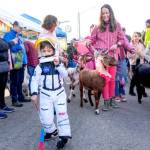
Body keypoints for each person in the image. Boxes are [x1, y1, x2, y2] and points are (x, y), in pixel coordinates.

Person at [31, 39, 71, 149]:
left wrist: (58, 66)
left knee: (62, 115)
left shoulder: (58, 63)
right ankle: (52, 131)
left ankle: (64, 137)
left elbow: (65, 75)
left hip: (59, 94)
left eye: (49, 50)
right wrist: (34, 93)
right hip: (45, 95)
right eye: (44, 51)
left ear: (53, 50)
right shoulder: (39, 66)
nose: (46, 52)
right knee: (45, 117)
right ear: (41, 52)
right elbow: (34, 79)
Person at [87, 4, 128, 110]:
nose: (105, 15)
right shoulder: (97, 27)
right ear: (101, 15)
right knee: (104, 80)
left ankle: (112, 100)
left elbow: (122, 39)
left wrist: (117, 44)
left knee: (113, 79)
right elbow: (92, 39)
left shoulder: (117, 25)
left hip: (113, 57)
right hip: (101, 58)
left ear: (110, 13)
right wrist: (89, 42)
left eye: (107, 12)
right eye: (103, 13)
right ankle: (105, 101)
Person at [3, 21, 30, 107]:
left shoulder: (19, 36)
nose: (21, 29)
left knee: (20, 80)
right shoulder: (9, 35)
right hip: (15, 62)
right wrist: (19, 47)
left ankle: (20, 96)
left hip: (20, 61)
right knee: (14, 81)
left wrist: (25, 61)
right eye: (20, 27)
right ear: (14, 26)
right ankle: (15, 99)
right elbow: (9, 47)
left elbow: (23, 50)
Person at [128, 32, 147, 96]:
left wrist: (140, 53)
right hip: (133, 64)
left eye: (138, 36)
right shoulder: (130, 45)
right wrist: (135, 54)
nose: (137, 38)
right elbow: (128, 56)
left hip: (141, 64)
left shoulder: (141, 45)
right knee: (135, 78)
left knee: (142, 78)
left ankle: (142, 92)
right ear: (132, 37)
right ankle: (131, 90)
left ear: (140, 38)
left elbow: (144, 55)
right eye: (135, 36)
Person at [0, 38, 15, 119]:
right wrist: (11, 43)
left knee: (2, 87)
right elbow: (3, 46)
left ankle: (2, 106)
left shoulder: (2, 39)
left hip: (3, 65)